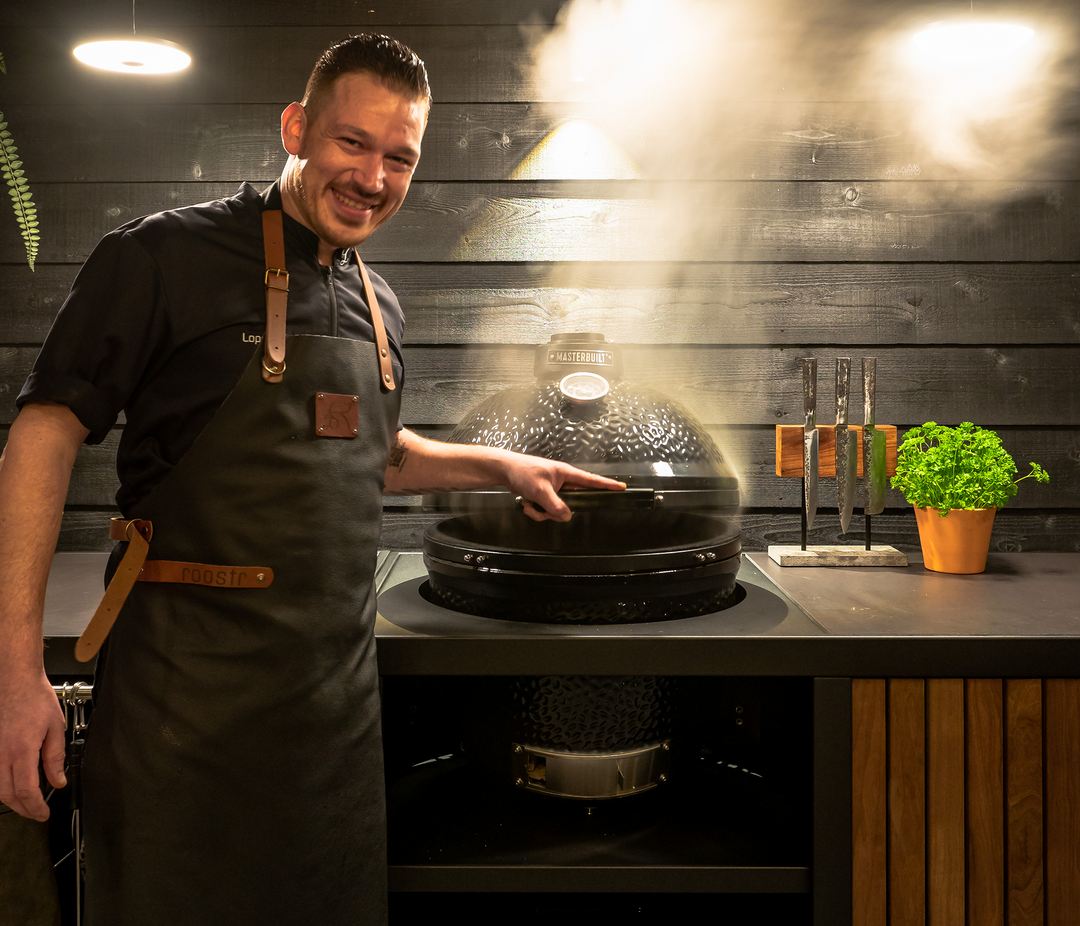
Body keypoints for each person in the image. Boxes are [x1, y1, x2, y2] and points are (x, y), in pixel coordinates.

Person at [0, 34, 622, 925]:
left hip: (332, 714)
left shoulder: (380, 305)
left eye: (398, 157)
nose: (373, 177)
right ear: (297, 127)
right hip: (184, 704)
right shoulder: (159, 258)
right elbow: (42, 436)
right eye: (351, 143)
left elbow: (375, 453)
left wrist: (500, 464)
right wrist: (11, 674)